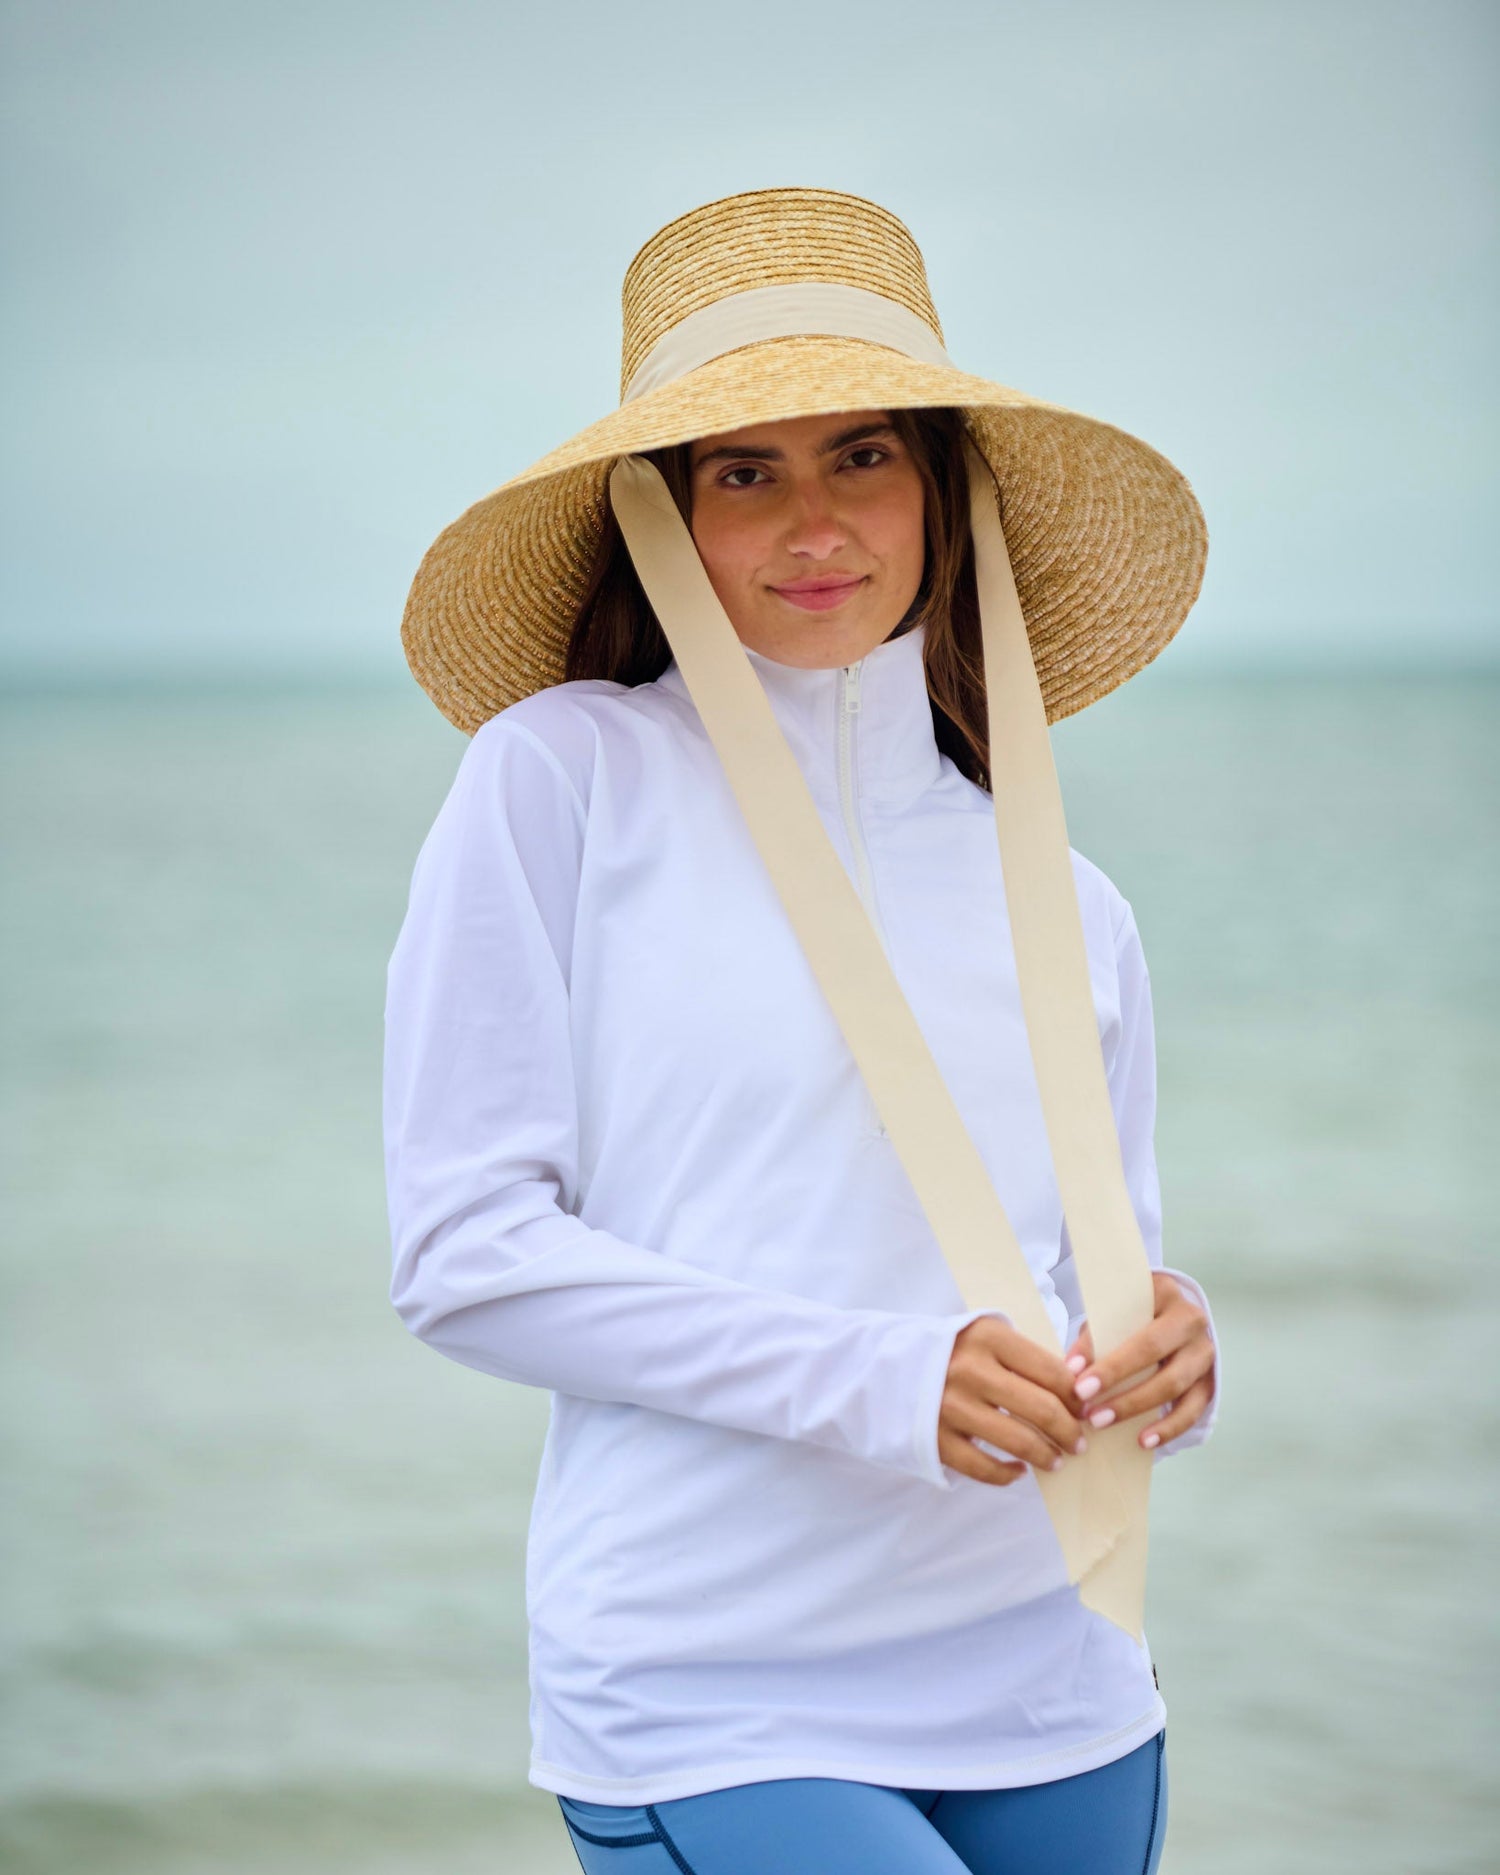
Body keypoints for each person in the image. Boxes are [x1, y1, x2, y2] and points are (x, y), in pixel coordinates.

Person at [384, 187, 1221, 1875]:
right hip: (714, 1688)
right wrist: (886, 1381)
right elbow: (464, 1257)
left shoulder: (1070, 897)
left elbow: (1086, 1280)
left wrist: (1175, 1348)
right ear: (661, 511)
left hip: (1058, 1685)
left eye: (863, 455)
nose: (815, 524)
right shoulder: (561, 784)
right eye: (743, 473)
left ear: (945, 485)